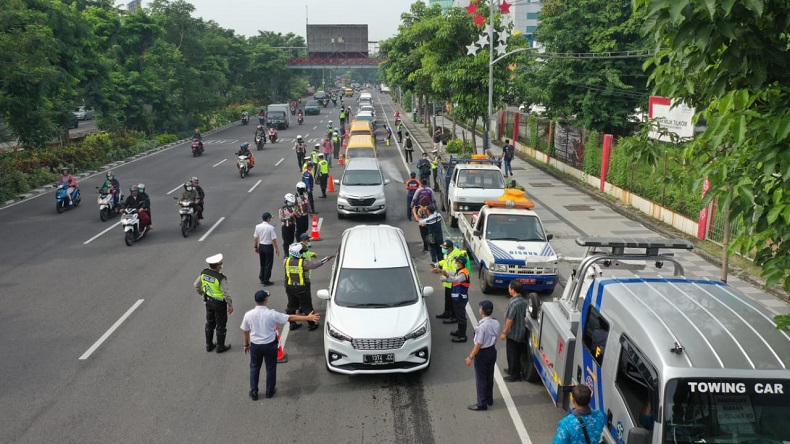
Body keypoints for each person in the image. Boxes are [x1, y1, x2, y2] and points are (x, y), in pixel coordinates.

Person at [241, 290, 319, 400]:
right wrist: (308, 318)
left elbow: (245, 331)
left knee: (254, 367)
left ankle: (254, 391)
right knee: (271, 368)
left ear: (255, 301)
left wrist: (246, 345)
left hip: (256, 346)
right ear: (266, 301)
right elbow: (290, 317)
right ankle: (269, 391)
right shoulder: (272, 314)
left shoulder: (248, 315)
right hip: (270, 345)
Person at [284, 243, 334, 331]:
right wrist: (326, 259)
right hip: (302, 288)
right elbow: (316, 264)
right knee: (307, 306)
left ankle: (292, 324)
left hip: (290, 287)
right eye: (301, 252)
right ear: (297, 253)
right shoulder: (304, 263)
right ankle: (312, 324)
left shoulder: (286, 261)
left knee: (291, 305)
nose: (303, 253)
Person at [194, 253, 234, 353]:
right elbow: (226, 293)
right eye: (220, 264)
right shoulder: (220, 278)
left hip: (208, 302)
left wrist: (202, 294)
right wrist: (230, 305)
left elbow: (196, 285)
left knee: (210, 323)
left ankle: (209, 345)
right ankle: (220, 346)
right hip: (219, 303)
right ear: (217, 266)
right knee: (220, 324)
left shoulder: (204, 273)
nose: (221, 265)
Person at [465, 300, 499, 411]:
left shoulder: (482, 327)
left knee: (481, 379)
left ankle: (481, 403)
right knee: (489, 376)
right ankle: (489, 399)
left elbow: (478, 343)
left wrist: (470, 357)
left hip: (482, 354)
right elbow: (495, 338)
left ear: (482, 311)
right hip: (492, 351)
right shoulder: (495, 322)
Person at [431, 240, 468, 321]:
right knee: (447, 298)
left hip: (453, 283)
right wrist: (438, 264)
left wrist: (446, 278)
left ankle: (454, 317)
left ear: (450, 248)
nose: (443, 249)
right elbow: (446, 261)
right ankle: (447, 312)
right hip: (448, 282)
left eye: (445, 248)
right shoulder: (450, 254)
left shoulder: (456, 257)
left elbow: (456, 272)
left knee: (453, 300)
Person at [501, 280, 528, 382]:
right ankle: (512, 369)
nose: (508, 289)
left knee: (512, 354)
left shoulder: (513, 303)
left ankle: (514, 374)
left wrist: (504, 332)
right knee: (517, 353)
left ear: (513, 290)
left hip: (513, 333)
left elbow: (510, 319)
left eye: (509, 288)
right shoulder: (522, 301)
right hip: (521, 331)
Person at [439, 255, 471, 343]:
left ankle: (462, 336)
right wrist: (441, 271)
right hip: (457, 298)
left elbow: (455, 279)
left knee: (461, 318)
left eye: (457, 262)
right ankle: (459, 331)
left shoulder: (463, 274)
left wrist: (446, 278)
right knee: (458, 316)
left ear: (461, 263)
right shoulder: (459, 271)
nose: (456, 263)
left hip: (460, 298)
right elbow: (451, 272)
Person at [254, 212, 280, 286]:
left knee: (262, 263)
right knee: (268, 264)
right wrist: (277, 249)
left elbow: (255, 238)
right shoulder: (271, 228)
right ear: (268, 219)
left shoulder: (258, 226)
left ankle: (261, 277)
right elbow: (274, 240)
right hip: (268, 247)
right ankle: (266, 280)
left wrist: (256, 247)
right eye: (270, 218)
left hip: (261, 246)